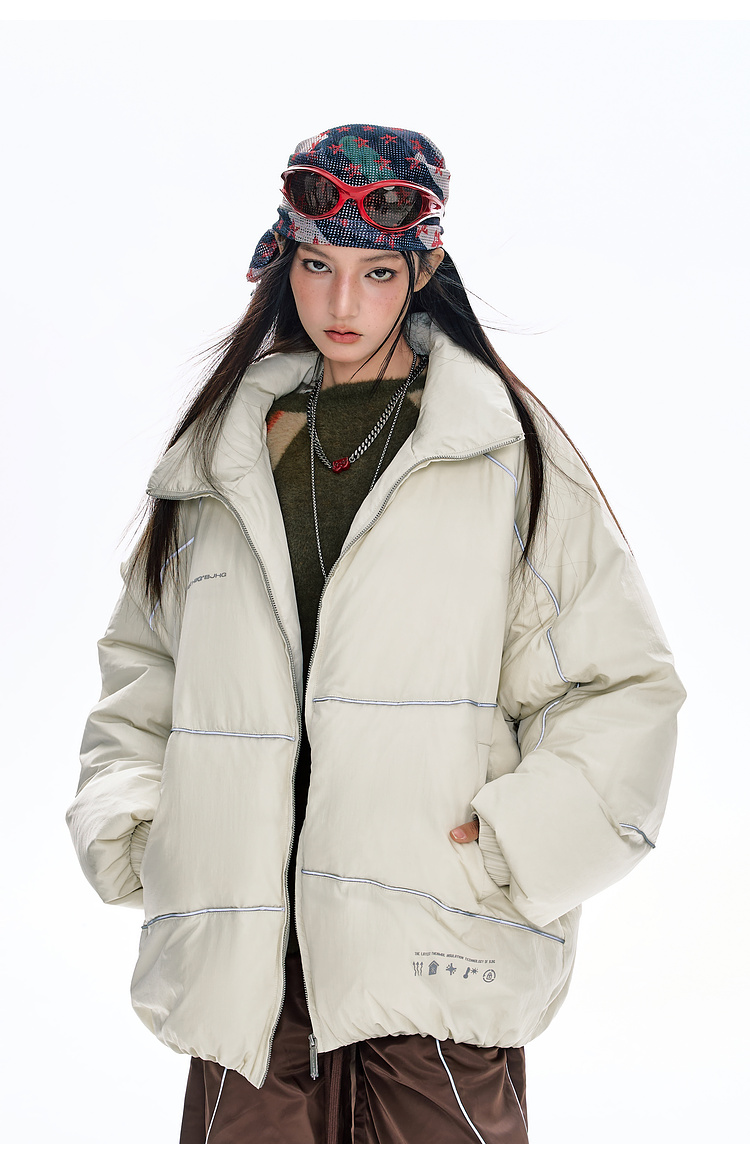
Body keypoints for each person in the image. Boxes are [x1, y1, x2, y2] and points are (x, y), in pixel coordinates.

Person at [66, 123, 686, 1145]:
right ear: (285, 266)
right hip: (246, 970)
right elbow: (144, 668)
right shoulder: (220, 459)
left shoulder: (502, 455)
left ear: (423, 271)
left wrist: (519, 841)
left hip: (436, 945)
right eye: (317, 266)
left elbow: (620, 686)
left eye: (375, 272)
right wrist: (140, 826)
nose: (340, 303)